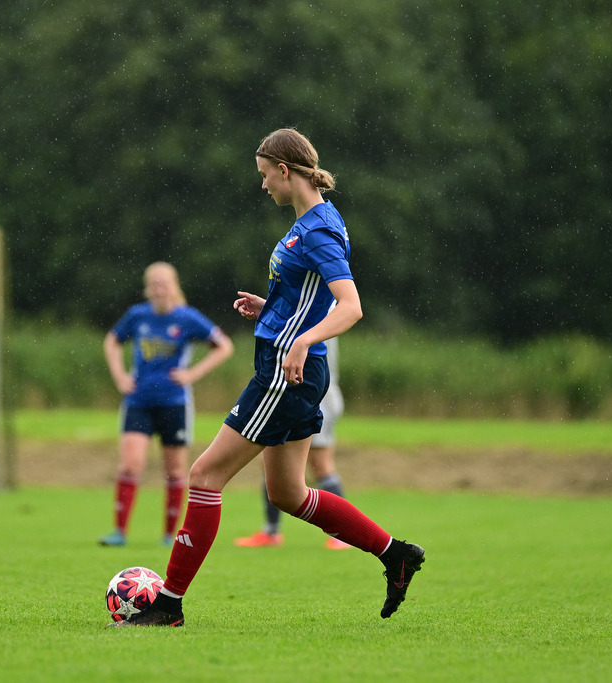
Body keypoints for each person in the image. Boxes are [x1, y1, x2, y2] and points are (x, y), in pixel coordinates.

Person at [111, 128, 424, 628]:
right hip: (292, 365)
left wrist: (299, 339)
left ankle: (167, 605)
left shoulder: (317, 229)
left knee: (204, 476)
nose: (262, 187)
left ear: (284, 170)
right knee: (287, 494)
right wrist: (271, 308)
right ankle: (395, 554)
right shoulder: (313, 221)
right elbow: (309, 297)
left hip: (287, 371)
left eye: (264, 176)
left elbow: (350, 307)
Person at [100, 261, 234, 547]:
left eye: (165, 283)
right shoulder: (138, 316)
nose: (160, 289)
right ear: (148, 289)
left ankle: (169, 535)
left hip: (175, 403)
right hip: (139, 401)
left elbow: (225, 346)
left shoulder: (187, 318)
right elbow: (112, 341)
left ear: (175, 287)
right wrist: (120, 376)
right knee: (130, 465)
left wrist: (192, 374)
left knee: (174, 471)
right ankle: (119, 531)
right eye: (155, 284)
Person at [234, 336, 352, 550]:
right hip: (296, 390)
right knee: (270, 461)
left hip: (313, 392)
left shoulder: (317, 309)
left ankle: (344, 534)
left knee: (321, 465)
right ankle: (271, 531)